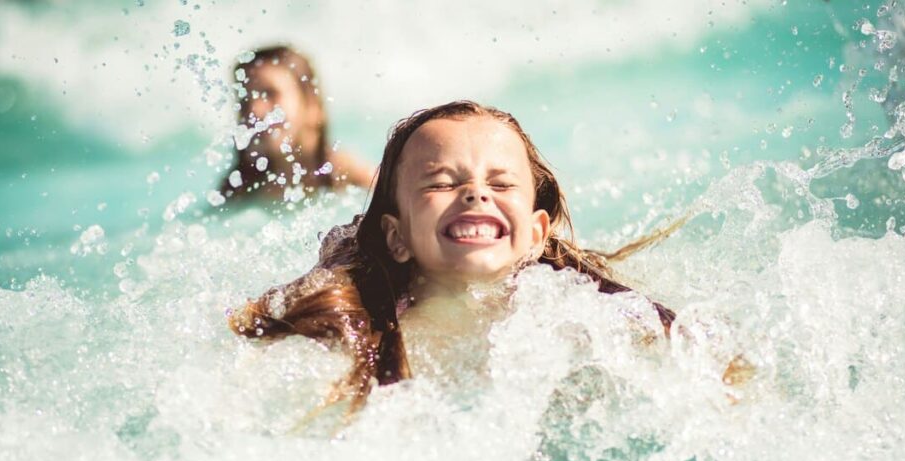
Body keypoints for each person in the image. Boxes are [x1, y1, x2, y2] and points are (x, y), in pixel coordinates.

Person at [227, 101, 680, 422]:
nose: (476, 193)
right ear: (397, 236)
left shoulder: (584, 322)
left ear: (537, 235)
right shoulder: (357, 337)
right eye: (441, 182)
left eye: (501, 185)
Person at [219, 45, 374, 203]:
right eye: (245, 100)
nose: (254, 110)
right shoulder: (240, 189)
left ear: (312, 105)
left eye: (270, 94)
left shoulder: (355, 179)